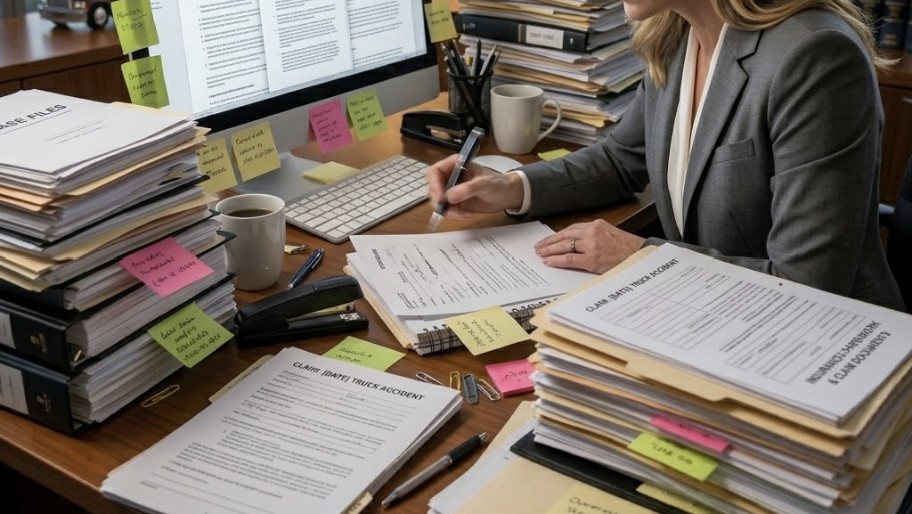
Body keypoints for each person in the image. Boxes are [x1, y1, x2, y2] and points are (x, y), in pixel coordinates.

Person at [427, 0, 906, 312]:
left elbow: (807, 285)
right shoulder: (676, 34)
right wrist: (513, 186)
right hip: (709, 317)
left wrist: (639, 257)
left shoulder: (815, 55)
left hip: (824, 349)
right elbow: (622, 158)